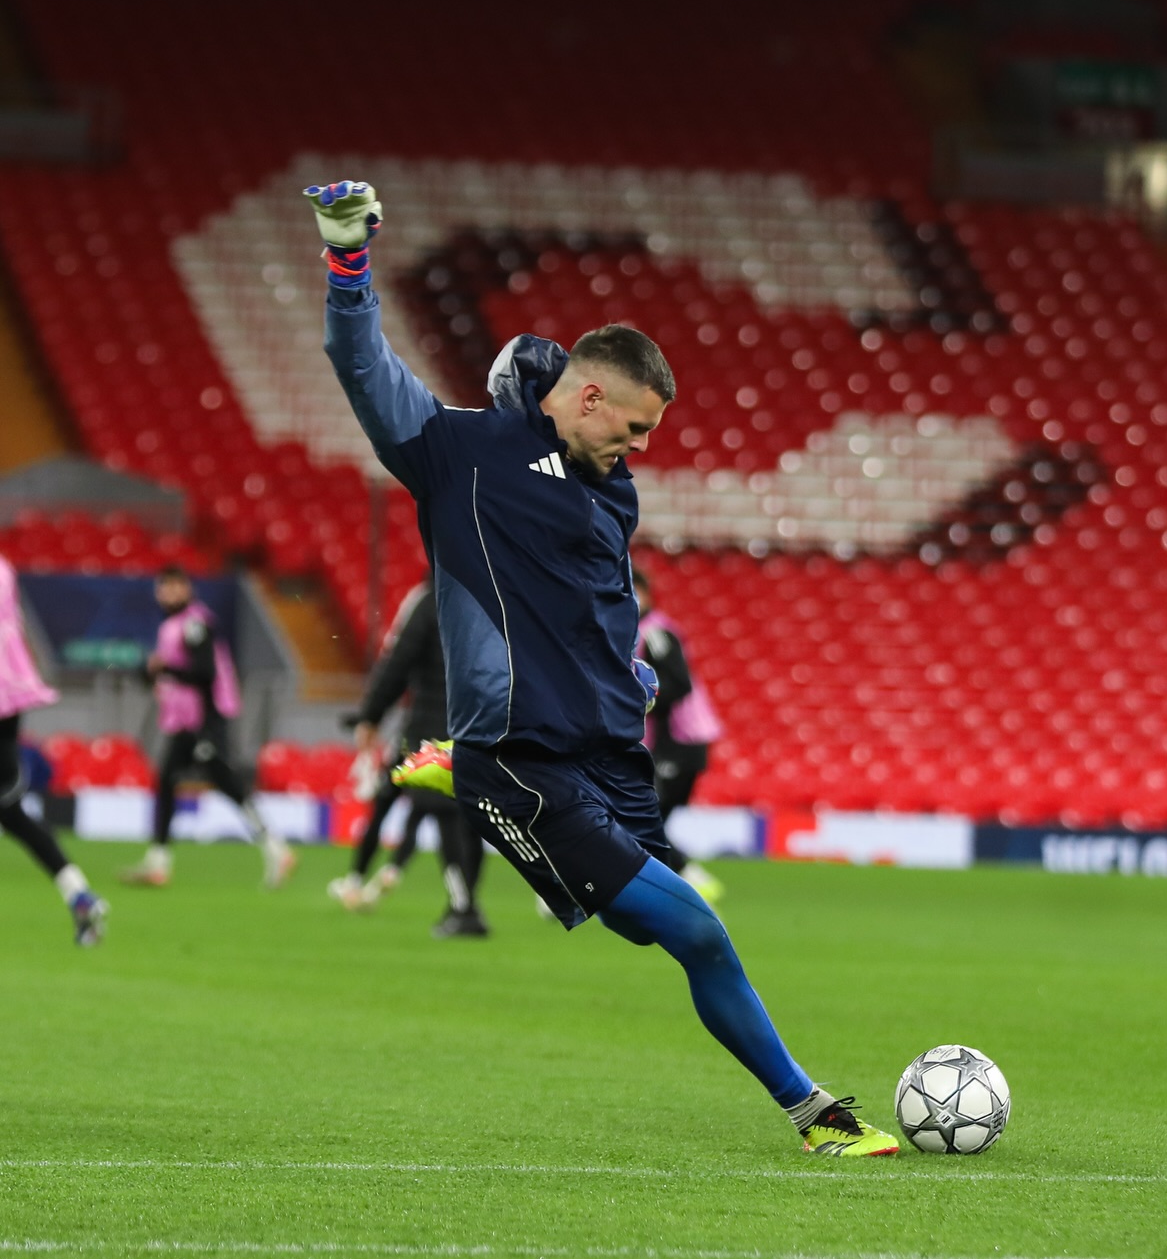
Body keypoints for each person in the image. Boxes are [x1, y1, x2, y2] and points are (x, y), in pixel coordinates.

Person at [308, 178, 896, 1156]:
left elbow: (593, 615)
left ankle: (463, 774)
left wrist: (633, 685)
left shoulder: (612, 491)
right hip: (526, 762)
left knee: (639, 926)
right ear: (587, 396)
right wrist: (347, 256)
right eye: (632, 426)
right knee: (698, 931)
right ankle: (816, 1115)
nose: (640, 447)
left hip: (608, 755)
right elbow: (361, 364)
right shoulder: (458, 453)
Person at [329, 576, 488, 937]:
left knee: (432, 812)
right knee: (464, 818)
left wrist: (371, 715)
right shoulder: (489, 603)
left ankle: (464, 909)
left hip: (428, 728)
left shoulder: (431, 602)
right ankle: (365, 879)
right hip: (475, 730)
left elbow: (398, 663)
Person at [122, 566, 295, 889]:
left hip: (204, 719)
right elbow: (168, 674)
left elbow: (204, 673)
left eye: (176, 586)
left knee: (224, 783)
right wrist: (151, 671)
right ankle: (159, 861)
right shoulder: (173, 625)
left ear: (188, 589)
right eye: (165, 587)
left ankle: (276, 847)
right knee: (168, 780)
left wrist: (165, 668)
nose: (170, 593)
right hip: (183, 720)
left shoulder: (195, 624)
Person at [0, 553, 107, 943]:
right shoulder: (5, 569)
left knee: (11, 810)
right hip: (10, 698)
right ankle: (80, 895)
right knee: (11, 813)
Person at [633, 566, 725, 903]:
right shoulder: (640, 631)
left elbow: (678, 683)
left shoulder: (655, 631)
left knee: (642, 820)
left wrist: (639, 702)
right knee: (644, 821)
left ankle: (691, 881)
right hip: (673, 742)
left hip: (680, 741)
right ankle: (682, 883)